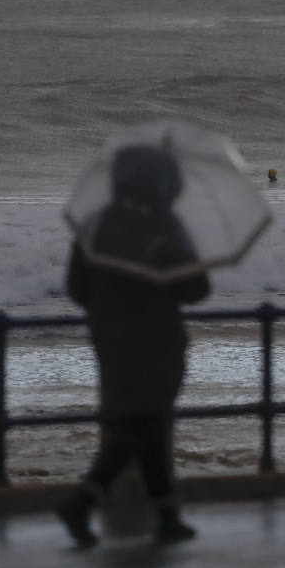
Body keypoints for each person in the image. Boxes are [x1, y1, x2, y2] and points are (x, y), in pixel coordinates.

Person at [55, 144, 210, 547]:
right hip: (158, 342)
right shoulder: (164, 226)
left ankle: (167, 517)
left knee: (142, 424)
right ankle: (82, 500)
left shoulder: (95, 225)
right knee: (142, 427)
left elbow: (77, 288)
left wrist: (112, 311)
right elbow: (196, 289)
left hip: (110, 340)